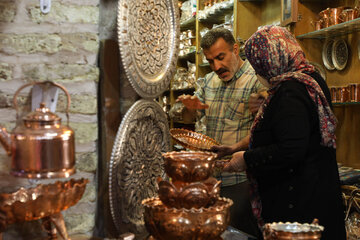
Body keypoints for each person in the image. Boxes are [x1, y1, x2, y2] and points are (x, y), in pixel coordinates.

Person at [223, 25, 346, 239]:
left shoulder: (290, 91)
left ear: (269, 60)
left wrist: (247, 159)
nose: (258, 72)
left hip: (299, 210)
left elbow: (290, 149)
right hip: (316, 199)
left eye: (258, 66)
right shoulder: (309, 79)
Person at [177, 27, 267, 238]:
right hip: (210, 181)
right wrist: (188, 107)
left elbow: (261, 132)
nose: (216, 66)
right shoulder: (208, 82)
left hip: (241, 182)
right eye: (210, 61)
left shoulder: (255, 81)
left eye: (220, 57)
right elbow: (189, 120)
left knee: (241, 234)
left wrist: (234, 148)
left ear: (235, 49)